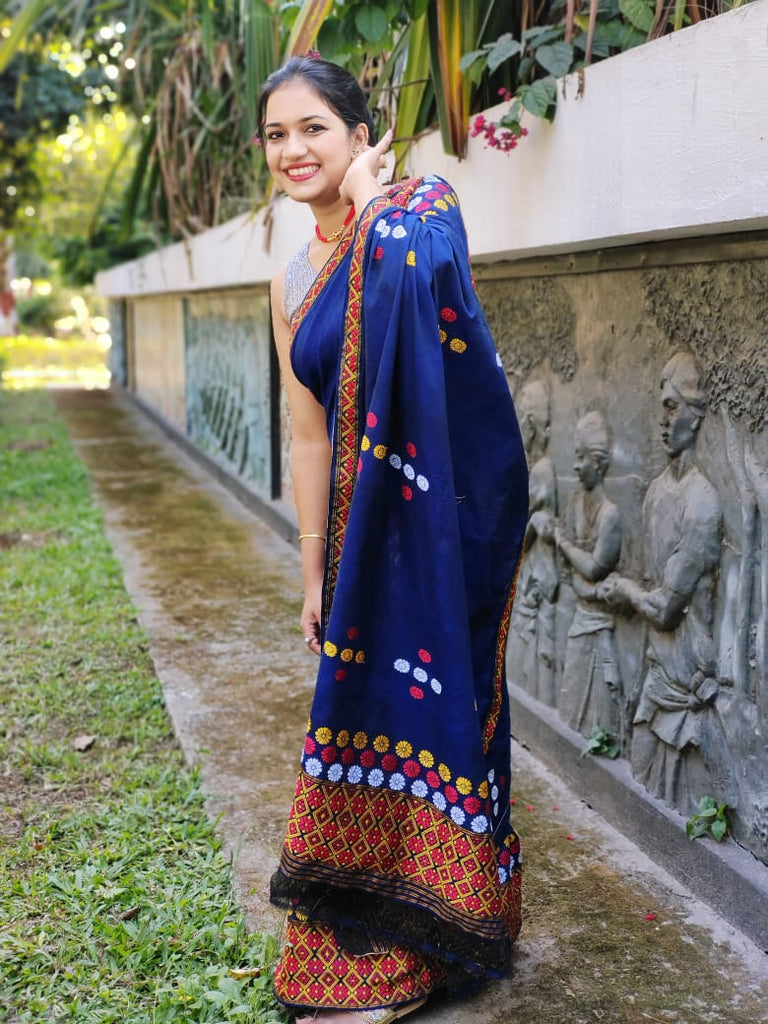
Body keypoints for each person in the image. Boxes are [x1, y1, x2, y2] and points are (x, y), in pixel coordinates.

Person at [258, 56, 529, 1023]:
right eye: (277, 135)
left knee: (439, 722)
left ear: (358, 131)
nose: (294, 151)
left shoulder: (423, 209)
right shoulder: (293, 277)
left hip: (442, 522)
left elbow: (427, 294)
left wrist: (372, 202)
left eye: (313, 130)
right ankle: (367, 950)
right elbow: (304, 430)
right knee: (358, 720)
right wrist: (310, 566)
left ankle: (443, 936)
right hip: (358, 543)